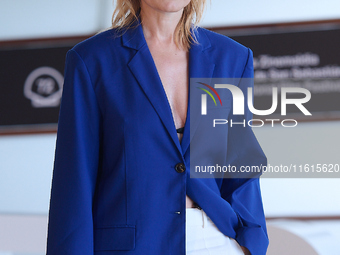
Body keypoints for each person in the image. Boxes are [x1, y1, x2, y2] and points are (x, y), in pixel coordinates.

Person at [46, 0, 269, 254]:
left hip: (216, 239)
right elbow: (75, 179)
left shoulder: (233, 58)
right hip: (132, 246)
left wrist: (251, 241)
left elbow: (240, 164)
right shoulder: (91, 60)